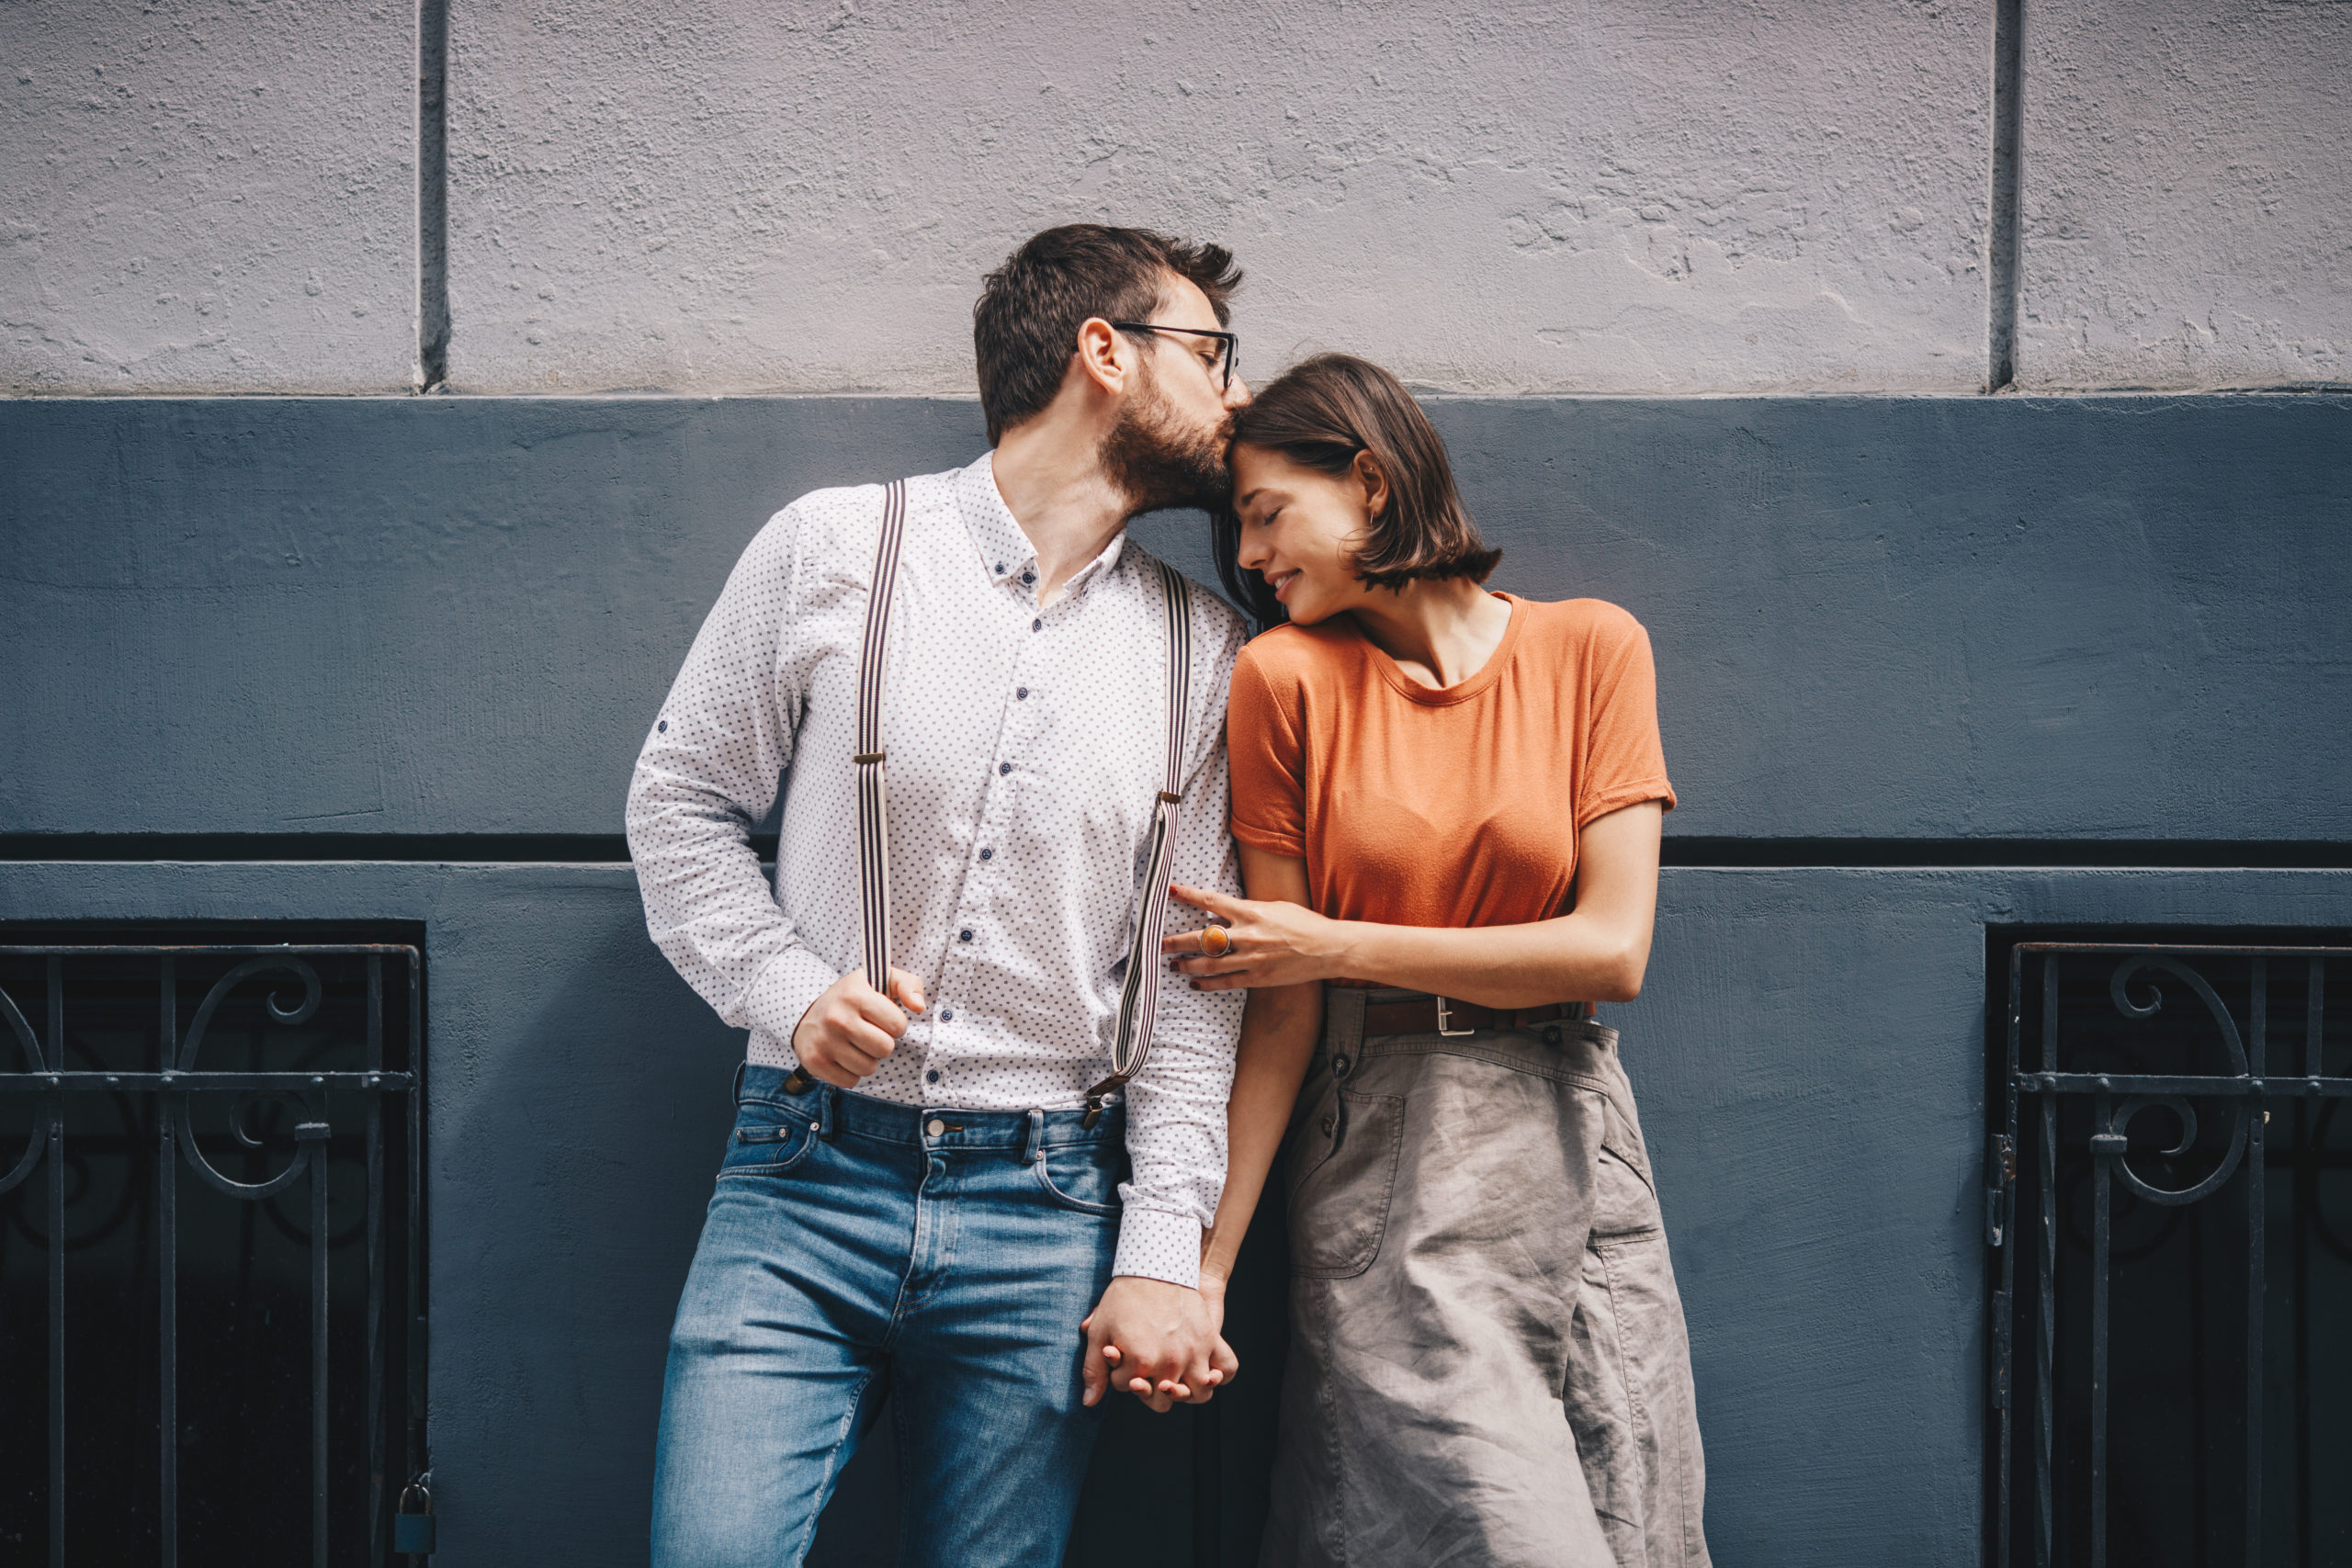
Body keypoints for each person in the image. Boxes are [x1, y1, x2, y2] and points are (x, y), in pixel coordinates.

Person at [626, 224, 1255, 1568]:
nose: (1236, 398)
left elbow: (1195, 996)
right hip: (800, 1177)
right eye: (1213, 355)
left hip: (1050, 1210)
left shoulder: (1206, 653)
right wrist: (793, 996)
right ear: (1106, 352)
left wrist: (1158, 1248)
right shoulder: (834, 548)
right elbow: (674, 805)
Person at [1168, 354, 1711, 1565]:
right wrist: (1203, 1267)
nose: (1250, 557)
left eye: (1265, 514)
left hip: (1582, 1137)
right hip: (1390, 1145)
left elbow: (1613, 949)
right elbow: (1284, 1014)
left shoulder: (1591, 649)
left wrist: (1334, 942)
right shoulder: (1284, 682)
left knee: (1638, 1518)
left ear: (1369, 482)